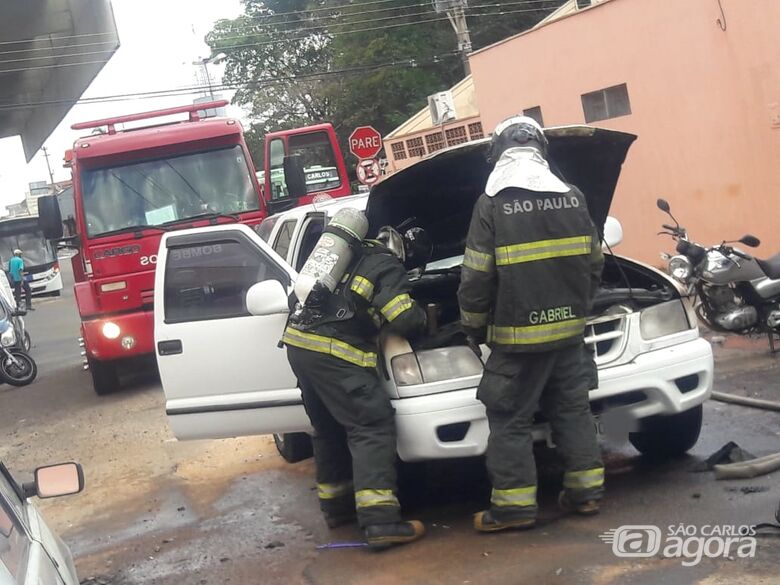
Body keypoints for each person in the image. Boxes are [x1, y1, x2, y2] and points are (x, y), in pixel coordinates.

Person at [457, 116, 605, 533]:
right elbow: (594, 264)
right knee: (573, 411)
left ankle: (514, 508)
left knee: (509, 419)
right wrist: (579, 310)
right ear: (541, 150)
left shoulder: (492, 203)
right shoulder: (573, 196)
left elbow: (476, 277)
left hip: (517, 341)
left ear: (500, 151)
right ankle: (586, 494)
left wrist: (473, 327)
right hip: (569, 336)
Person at [282, 215, 431, 550]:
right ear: (404, 251)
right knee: (371, 425)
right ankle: (381, 523)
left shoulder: (344, 258)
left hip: (298, 346)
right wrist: (424, 318)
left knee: (329, 428)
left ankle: (336, 508)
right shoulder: (385, 264)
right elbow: (404, 317)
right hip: (336, 354)